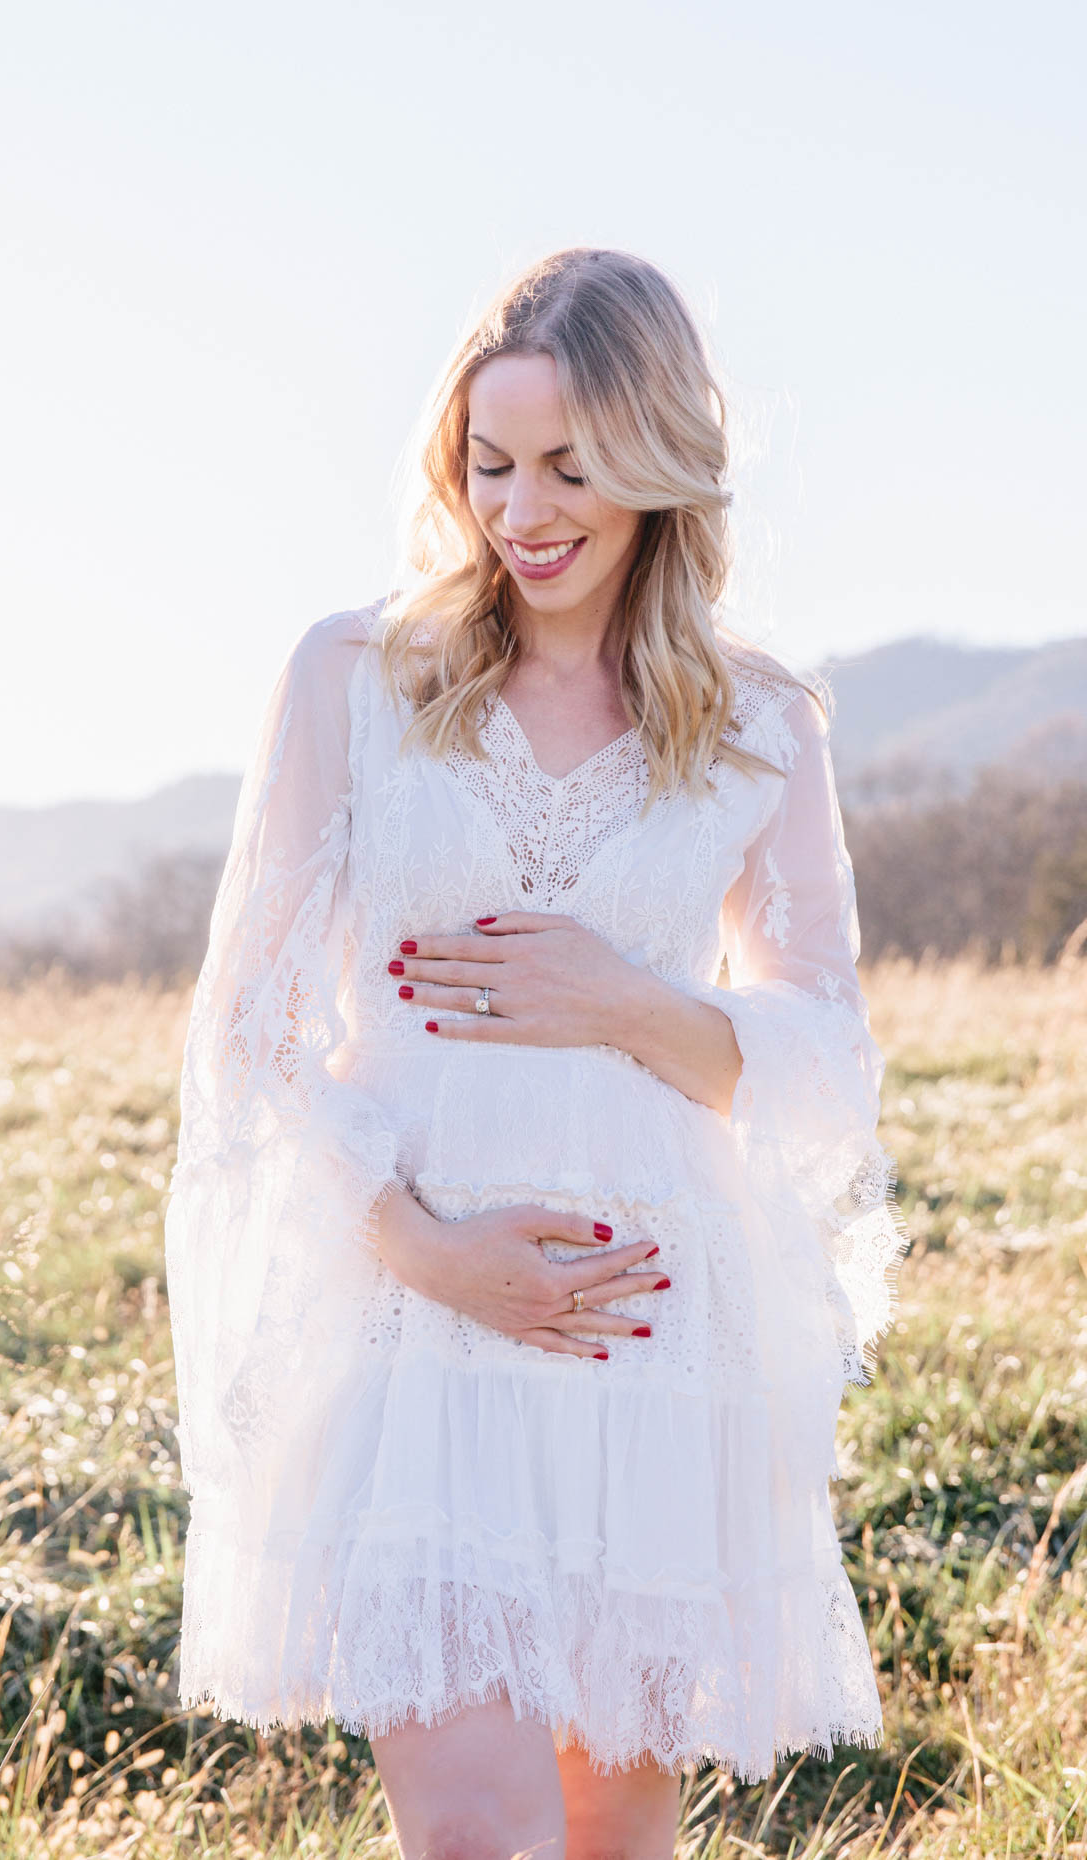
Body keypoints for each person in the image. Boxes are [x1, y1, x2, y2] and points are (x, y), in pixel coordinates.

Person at [163, 245, 908, 1858]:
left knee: (611, 1838)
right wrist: (423, 1249)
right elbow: (254, 1038)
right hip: (417, 1330)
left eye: (570, 465)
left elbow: (826, 1059)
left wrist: (630, 1002)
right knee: (477, 1834)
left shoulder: (762, 726)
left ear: (656, 462)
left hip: (647, 1343)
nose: (525, 507)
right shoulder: (357, 678)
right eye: (490, 464)